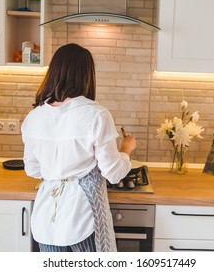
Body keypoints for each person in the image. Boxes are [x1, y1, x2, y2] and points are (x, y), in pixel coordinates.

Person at [21, 43, 136, 252]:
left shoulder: (34, 117)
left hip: (48, 222)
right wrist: (126, 149)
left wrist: (57, 169)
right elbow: (113, 173)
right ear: (87, 76)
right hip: (83, 217)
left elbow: (33, 170)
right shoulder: (97, 114)